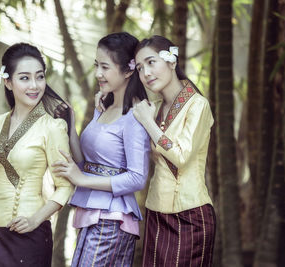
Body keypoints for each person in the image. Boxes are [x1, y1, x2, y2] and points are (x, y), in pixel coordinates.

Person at [51, 32, 151, 267]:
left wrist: (82, 180)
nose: (98, 73)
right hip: (92, 214)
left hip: (112, 220)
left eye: (105, 67)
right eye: (97, 65)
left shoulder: (135, 116)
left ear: (128, 70)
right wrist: (70, 124)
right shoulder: (104, 107)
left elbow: (137, 178)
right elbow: (87, 161)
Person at [0, 43, 74, 267]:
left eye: (39, 77)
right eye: (25, 78)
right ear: (7, 82)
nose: (35, 85)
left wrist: (35, 220)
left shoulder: (53, 127)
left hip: (30, 231)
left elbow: (66, 186)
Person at [132, 35, 216, 266]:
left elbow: (181, 156)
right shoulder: (153, 108)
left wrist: (149, 124)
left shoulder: (198, 105)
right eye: (140, 68)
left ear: (171, 62)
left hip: (190, 214)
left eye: (151, 62)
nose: (146, 73)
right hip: (155, 213)